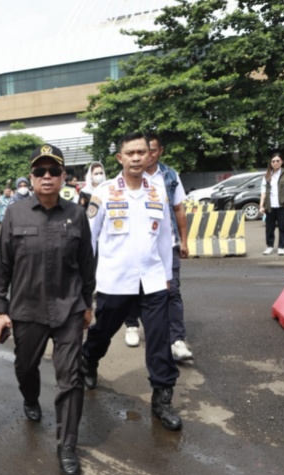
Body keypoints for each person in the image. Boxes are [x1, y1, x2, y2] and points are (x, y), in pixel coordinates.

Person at [0, 144, 95, 475]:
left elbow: (87, 265)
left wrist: (88, 304)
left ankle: (66, 445)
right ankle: (31, 398)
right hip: (26, 310)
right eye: (40, 172)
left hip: (68, 310)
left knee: (71, 379)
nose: (46, 177)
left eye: (53, 171)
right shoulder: (15, 214)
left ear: (64, 177)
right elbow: (2, 265)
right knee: (25, 367)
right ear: (31, 177)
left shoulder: (76, 214)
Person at [81, 132, 182, 432]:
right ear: (120, 158)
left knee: (159, 338)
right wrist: (87, 284)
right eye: (130, 153)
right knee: (103, 330)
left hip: (151, 280)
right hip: (115, 279)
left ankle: (162, 398)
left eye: (142, 152)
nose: (137, 157)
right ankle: (89, 359)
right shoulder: (104, 192)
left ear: (150, 156)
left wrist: (166, 277)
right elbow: (89, 240)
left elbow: (164, 236)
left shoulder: (158, 190)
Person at [121, 133, 193, 361]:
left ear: (159, 151)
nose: (145, 156)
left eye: (150, 151)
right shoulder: (124, 179)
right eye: (141, 151)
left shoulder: (170, 176)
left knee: (172, 291)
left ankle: (177, 340)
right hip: (136, 246)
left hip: (167, 243)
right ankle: (132, 324)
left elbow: (179, 209)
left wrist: (184, 240)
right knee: (135, 288)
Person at [259, 153, 284, 256]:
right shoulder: (267, 175)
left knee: (283, 226)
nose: (275, 163)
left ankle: (281, 247)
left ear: (282, 162)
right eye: (273, 161)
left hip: (282, 205)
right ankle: (269, 246)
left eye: (277, 161)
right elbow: (263, 192)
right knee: (269, 227)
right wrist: (261, 205)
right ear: (270, 163)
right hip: (270, 206)